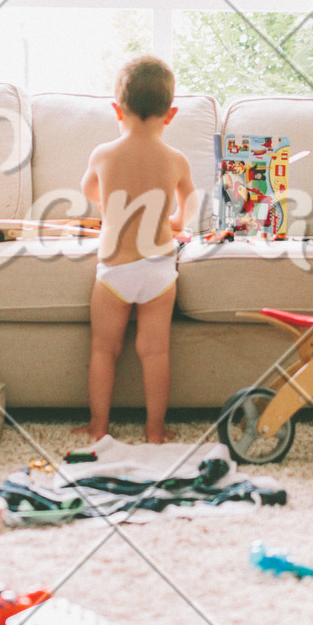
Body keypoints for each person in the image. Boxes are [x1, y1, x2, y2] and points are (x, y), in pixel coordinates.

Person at [77, 55, 198, 444]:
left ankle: (98, 428)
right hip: (161, 267)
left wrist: (107, 202)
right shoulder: (175, 159)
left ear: (117, 109)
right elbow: (191, 200)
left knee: (103, 349)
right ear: (171, 114)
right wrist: (177, 223)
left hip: (115, 269)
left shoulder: (103, 153)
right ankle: (155, 430)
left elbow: (89, 192)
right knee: (155, 351)